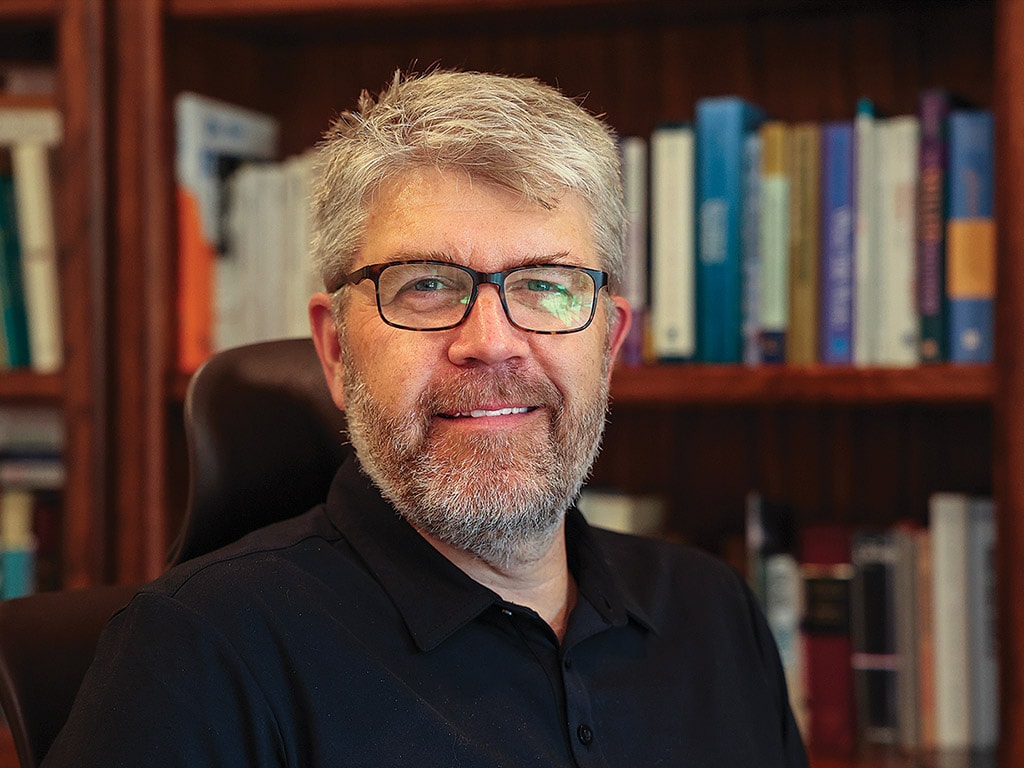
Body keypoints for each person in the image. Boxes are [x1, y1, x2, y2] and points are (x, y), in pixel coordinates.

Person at [44, 69, 808, 767]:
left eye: (545, 284)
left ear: (608, 343)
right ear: (337, 350)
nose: (491, 344)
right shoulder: (196, 654)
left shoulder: (715, 611)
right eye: (427, 285)